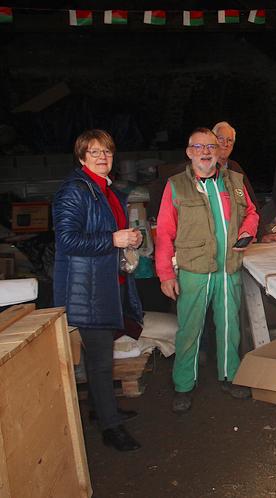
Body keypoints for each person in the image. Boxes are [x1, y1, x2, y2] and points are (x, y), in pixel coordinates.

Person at [155, 128, 259, 413]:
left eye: (210, 147)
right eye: (198, 147)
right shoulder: (177, 185)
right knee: (190, 329)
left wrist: (248, 231)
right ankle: (183, 385)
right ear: (189, 152)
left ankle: (230, 376)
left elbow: (251, 212)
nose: (205, 152)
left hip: (228, 268)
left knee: (230, 326)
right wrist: (165, 274)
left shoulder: (234, 181)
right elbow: (164, 232)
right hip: (195, 269)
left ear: (219, 151)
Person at [53, 129, 143, 451]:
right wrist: (113, 240)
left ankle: (99, 410)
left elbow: (115, 230)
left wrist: (132, 238)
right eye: (94, 152)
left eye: (107, 151)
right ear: (81, 157)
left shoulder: (108, 190)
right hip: (87, 288)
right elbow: (67, 240)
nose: (102, 157)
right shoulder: (75, 191)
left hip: (110, 281)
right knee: (102, 359)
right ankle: (111, 428)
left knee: (97, 356)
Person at [213, 121, 276, 243]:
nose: (225, 144)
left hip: (239, 239)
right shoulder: (204, 169)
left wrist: (261, 234)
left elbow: (251, 203)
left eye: (229, 140)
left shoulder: (235, 168)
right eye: (221, 139)